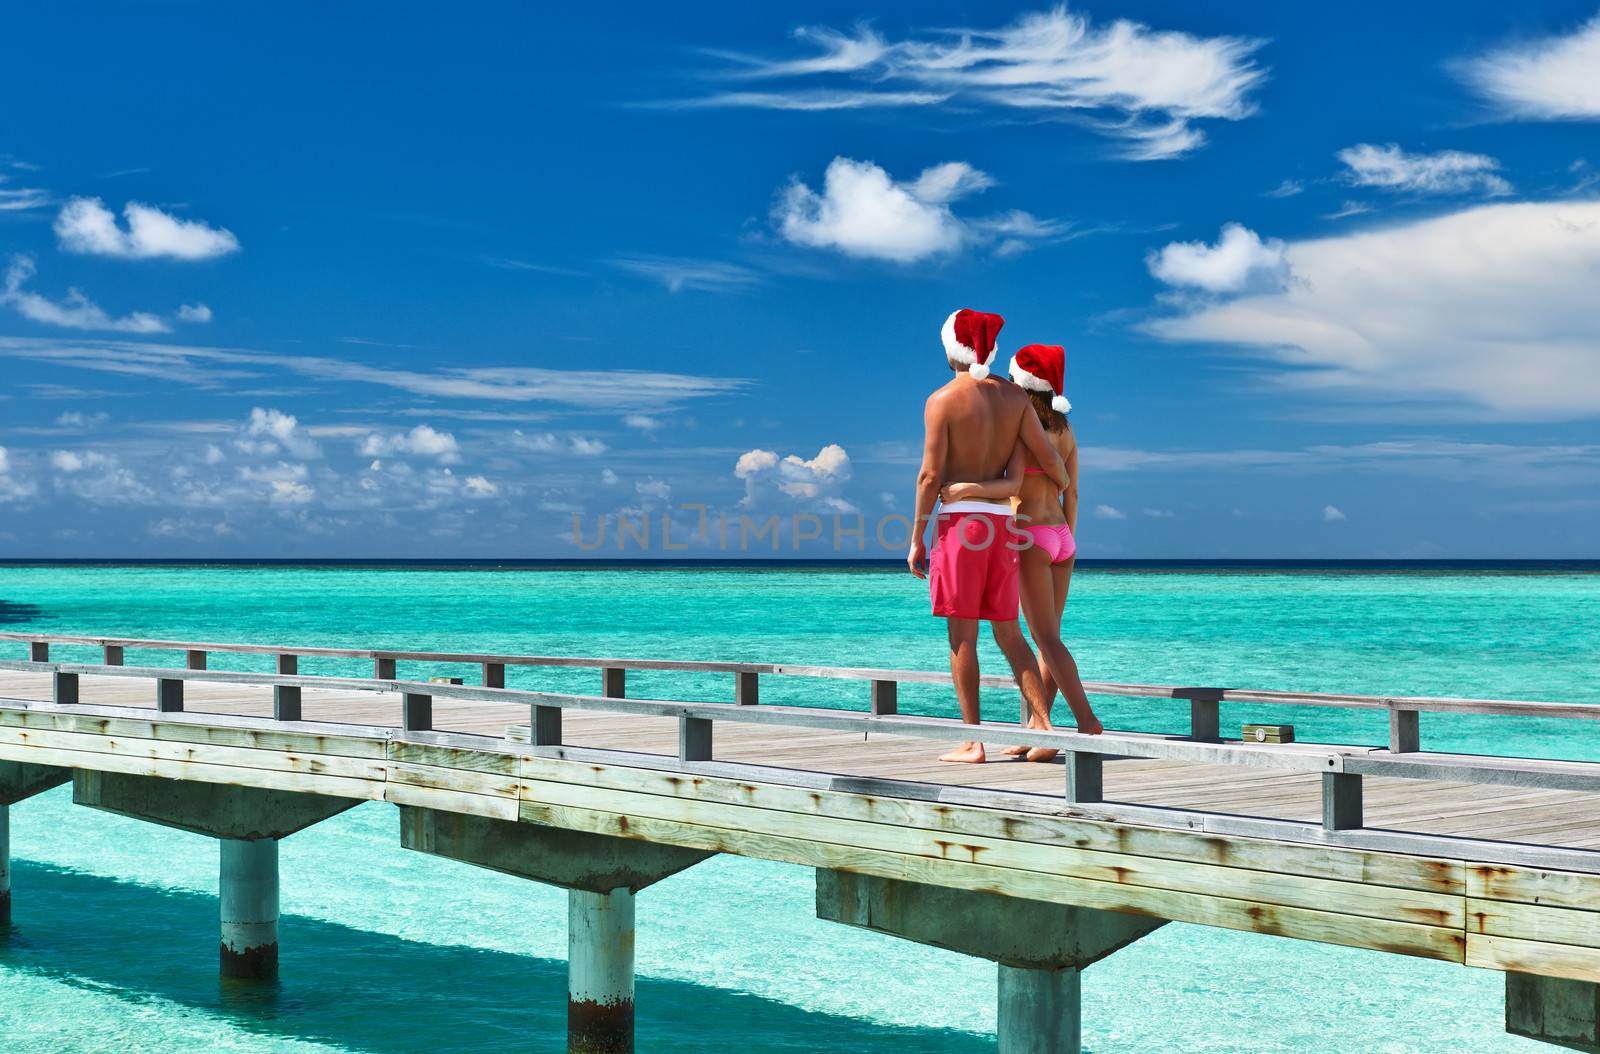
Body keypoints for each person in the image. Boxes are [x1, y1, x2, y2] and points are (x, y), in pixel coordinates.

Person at [908, 310, 1069, 764]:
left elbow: (929, 475)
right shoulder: (1015, 398)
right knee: (1010, 634)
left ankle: (972, 739)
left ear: (950, 348)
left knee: (962, 637)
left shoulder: (941, 400)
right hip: (1002, 526)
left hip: (962, 526)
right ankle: (1045, 725)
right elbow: (1045, 463)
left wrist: (917, 537)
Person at [940, 343, 1102, 760]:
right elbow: (1074, 491)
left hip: (1031, 536)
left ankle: (1086, 723)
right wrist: (1070, 540)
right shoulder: (1065, 429)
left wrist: (965, 489)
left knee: (1043, 638)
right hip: (1063, 534)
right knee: (1049, 637)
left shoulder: (1019, 426)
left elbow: (1009, 483)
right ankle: (1037, 730)